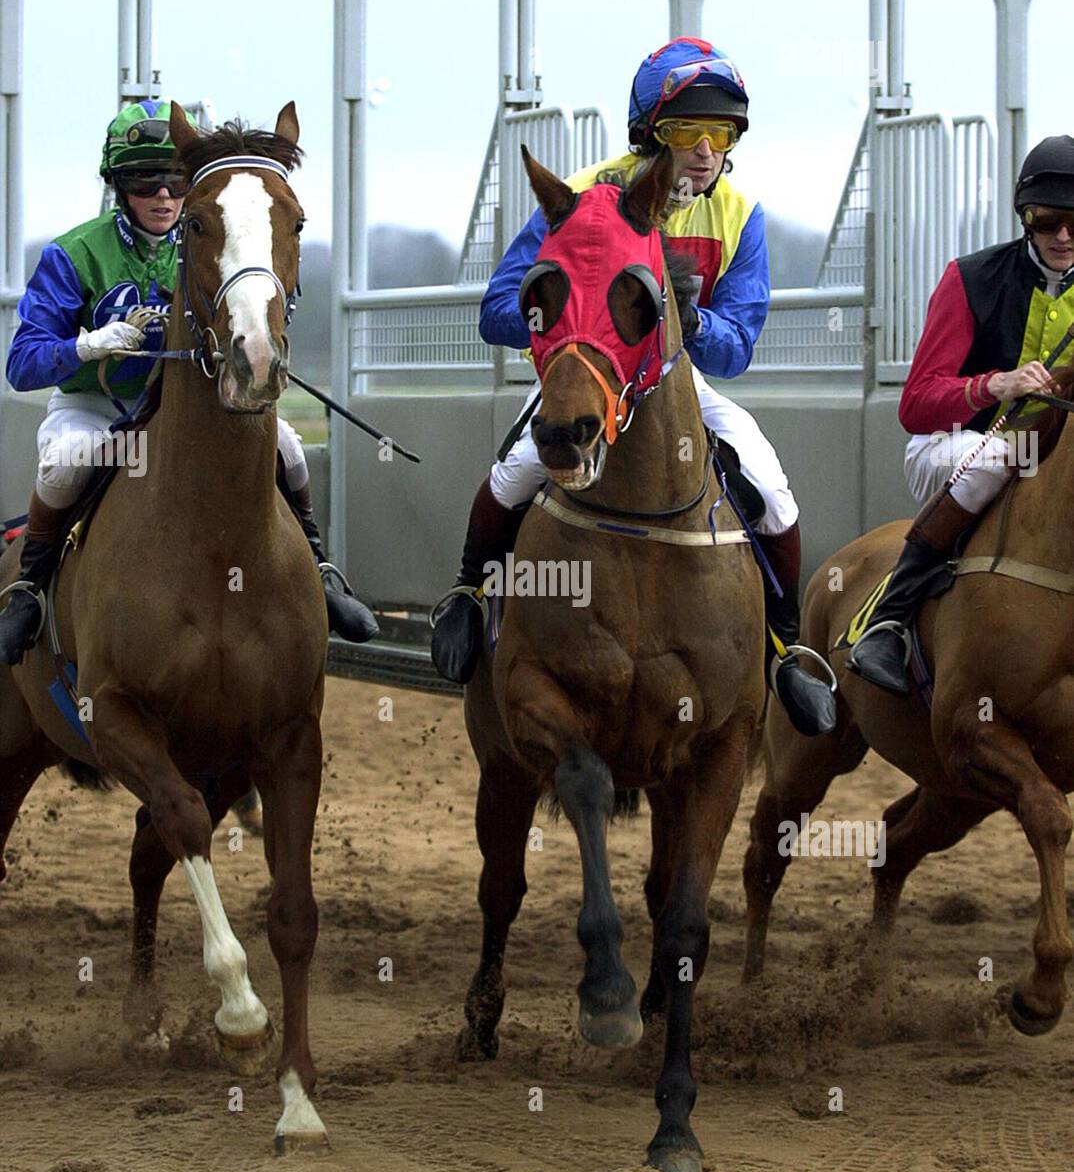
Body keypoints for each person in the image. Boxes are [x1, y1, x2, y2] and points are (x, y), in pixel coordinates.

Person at [430, 37, 837, 737]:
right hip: (589, 375)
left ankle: (785, 648)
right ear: (650, 133)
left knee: (771, 488)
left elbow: (736, 346)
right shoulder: (583, 195)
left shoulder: (742, 214)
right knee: (517, 468)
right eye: (687, 132)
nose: (706, 151)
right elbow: (499, 310)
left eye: (722, 133)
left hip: (674, 379)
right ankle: (467, 593)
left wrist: (672, 320)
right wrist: (571, 322)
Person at [0, 99, 377, 665]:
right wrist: (87, 344)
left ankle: (320, 569)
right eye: (142, 180)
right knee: (66, 461)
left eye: (172, 180)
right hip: (100, 406)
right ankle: (29, 587)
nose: (161, 196)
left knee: (291, 448)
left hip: (183, 408)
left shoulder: (209, 234)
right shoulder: (74, 253)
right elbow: (22, 363)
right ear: (118, 186)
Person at [848, 135, 1074, 695]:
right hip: (953, 447)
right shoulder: (970, 279)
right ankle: (889, 621)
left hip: (1055, 464)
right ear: (1026, 218)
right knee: (1000, 456)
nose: (1064, 236)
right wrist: (996, 384)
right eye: (1048, 220)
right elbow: (916, 404)